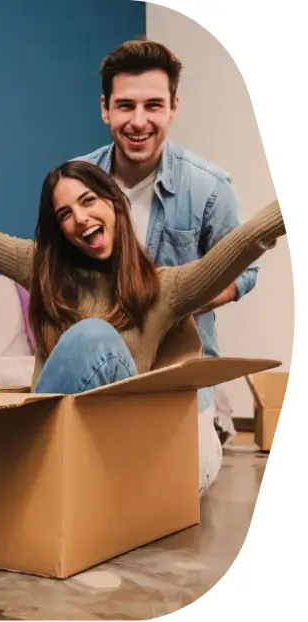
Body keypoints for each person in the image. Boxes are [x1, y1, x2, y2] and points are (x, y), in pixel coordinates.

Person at [0, 139, 285, 495]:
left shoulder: (163, 289)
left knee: (91, 337)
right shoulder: (40, 268)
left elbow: (241, 245)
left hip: (93, 450)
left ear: (113, 204)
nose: (78, 218)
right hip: (17, 440)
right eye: (64, 213)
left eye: (88, 201)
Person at [72, 39, 258, 418]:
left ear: (173, 108)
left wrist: (179, 300)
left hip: (184, 377)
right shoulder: (73, 185)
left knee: (183, 473)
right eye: (125, 105)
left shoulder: (209, 187)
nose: (139, 121)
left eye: (153, 105)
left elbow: (245, 272)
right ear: (105, 109)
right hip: (97, 372)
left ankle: (214, 429)